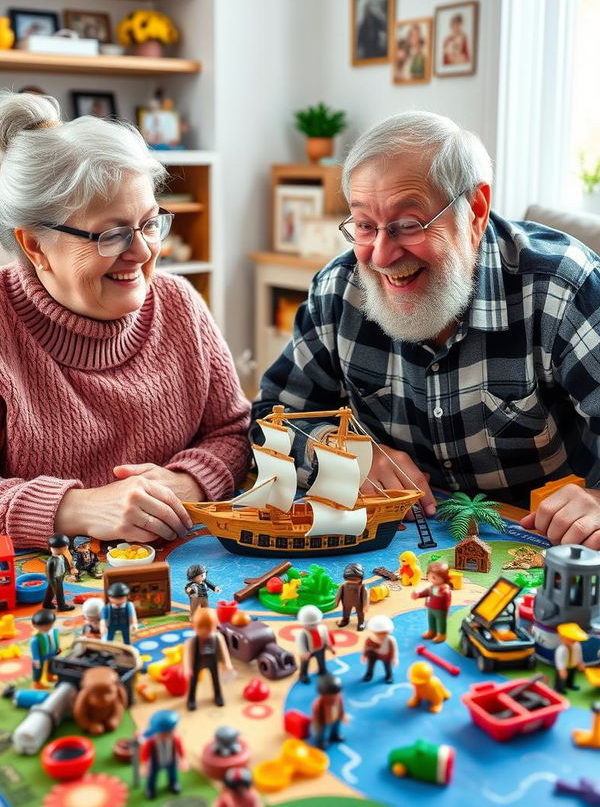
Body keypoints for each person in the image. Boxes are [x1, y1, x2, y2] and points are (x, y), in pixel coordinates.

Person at [252, 110, 600, 549]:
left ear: (474, 211)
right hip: (398, 544)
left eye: (408, 225)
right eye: (364, 225)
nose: (380, 255)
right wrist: (341, 458)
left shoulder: (562, 288)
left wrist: (597, 499)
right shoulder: (338, 291)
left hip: (535, 541)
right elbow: (272, 417)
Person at [0, 92, 250, 547]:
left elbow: (232, 432)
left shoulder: (180, 304)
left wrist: (184, 485)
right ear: (36, 245)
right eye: (112, 234)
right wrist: (79, 508)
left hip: (186, 565)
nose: (143, 252)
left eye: (151, 223)